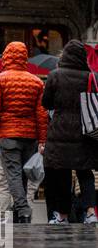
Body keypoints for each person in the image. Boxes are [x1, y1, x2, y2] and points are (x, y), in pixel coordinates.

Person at [0, 41, 47, 225]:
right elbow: (41, 114)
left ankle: (22, 209)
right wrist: (42, 139)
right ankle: (20, 211)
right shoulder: (36, 81)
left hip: (9, 134)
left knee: (12, 174)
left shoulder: (0, 79)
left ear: (6, 56)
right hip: (30, 136)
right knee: (23, 175)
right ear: (24, 57)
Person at [40, 40, 98, 227]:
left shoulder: (55, 76)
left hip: (61, 131)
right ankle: (90, 213)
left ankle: (63, 215)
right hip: (85, 131)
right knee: (85, 172)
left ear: (64, 55)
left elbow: (46, 103)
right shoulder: (92, 77)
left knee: (62, 173)